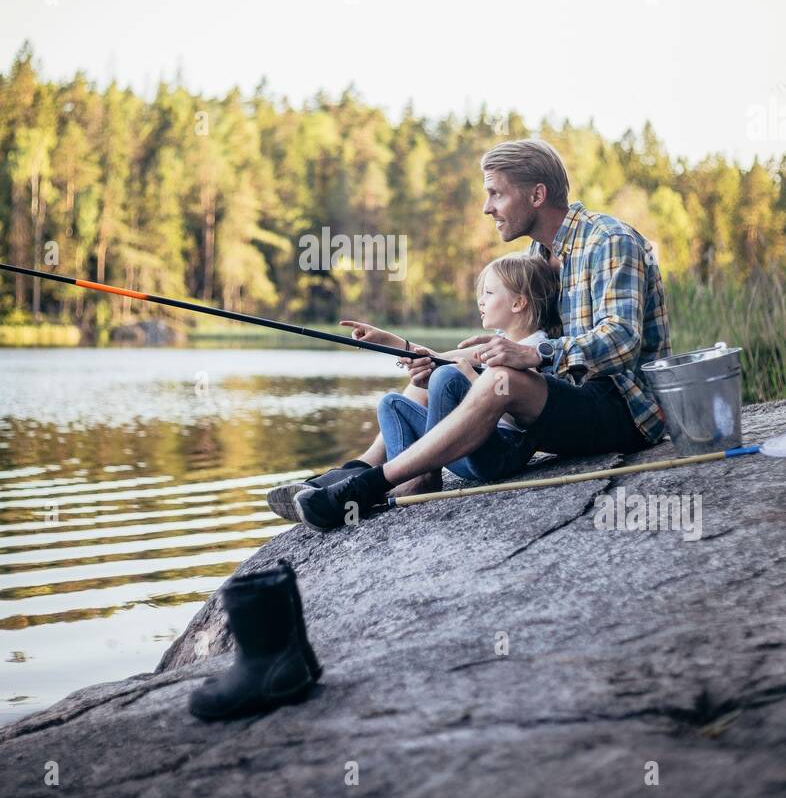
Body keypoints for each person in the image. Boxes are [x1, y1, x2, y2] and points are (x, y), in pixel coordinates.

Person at [268, 137, 671, 531]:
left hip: (624, 410)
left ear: (537, 195)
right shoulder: (539, 256)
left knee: (501, 380)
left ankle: (371, 485)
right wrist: (415, 351)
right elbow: (519, 343)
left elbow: (621, 340)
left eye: (496, 194)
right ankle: (351, 471)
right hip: (567, 395)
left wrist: (535, 355)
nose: (486, 207)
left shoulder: (608, 241)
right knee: (429, 380)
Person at [373, 252, 560, 493]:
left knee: (447, 377)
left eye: (489, 293)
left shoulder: (534, 348)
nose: (481, 300)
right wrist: (389, 341)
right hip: (461, 452)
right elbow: (439, 358)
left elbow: (524, 417)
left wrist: (472, 380)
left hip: (500, 453)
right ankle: (413, 478)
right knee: (391, 404)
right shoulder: (496, 342)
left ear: (518, 303)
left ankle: (424, 472)